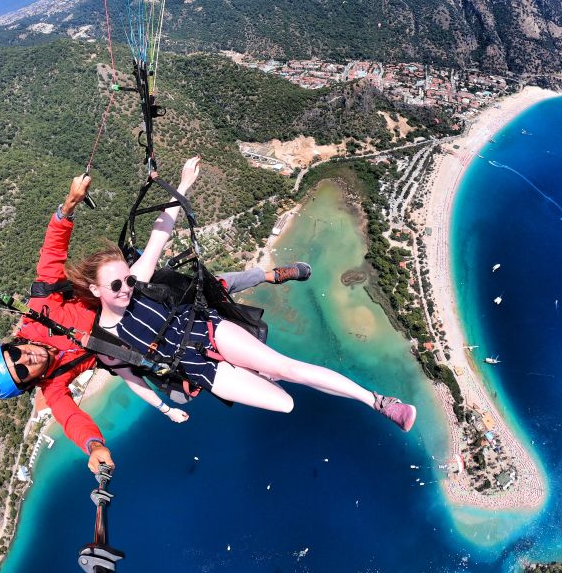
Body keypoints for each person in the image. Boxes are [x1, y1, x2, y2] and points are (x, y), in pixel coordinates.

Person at [0, 171, 313, 473]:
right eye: (23, 371)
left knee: (204, 288)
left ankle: (268, 274)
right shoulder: (52, 385)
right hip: (127, 342)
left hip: (121, 297)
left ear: (15, 344)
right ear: (28, 384)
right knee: (184, 380)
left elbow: (50, 257)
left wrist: (69, 205)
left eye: (16, 355)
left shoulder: (40, 312)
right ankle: (256, 370)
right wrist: (94, 447)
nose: (28, 359)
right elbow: (72, 420)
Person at [66, 156, 417, 432]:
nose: (126, 288)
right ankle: (263, 369)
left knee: (288, 367)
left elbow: (162, 230)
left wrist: (184, 184)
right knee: (286, 403)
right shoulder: (105, 341)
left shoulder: (138, 281)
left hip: (206, 330)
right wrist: (166, 409)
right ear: (95, 291)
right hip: (197, 368)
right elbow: (131, 379)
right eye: (116, 286)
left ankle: (378, 402)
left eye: (126, 280)